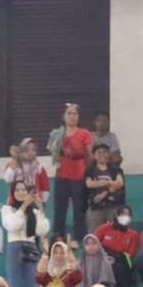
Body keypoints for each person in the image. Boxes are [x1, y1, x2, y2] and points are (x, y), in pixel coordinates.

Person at [48, 102, 93, 238]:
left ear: (78, 117)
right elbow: (53, 153)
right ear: (63, 116)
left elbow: (90, 156)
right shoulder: (57, 133)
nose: (72, 116)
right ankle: (58, 240)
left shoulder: (84, 133)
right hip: (61, 176)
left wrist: (89, 174)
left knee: (80, 211)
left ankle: (80, 239)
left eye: (75, 114)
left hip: (79, 177)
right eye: (69, 113)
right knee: (59, 211)